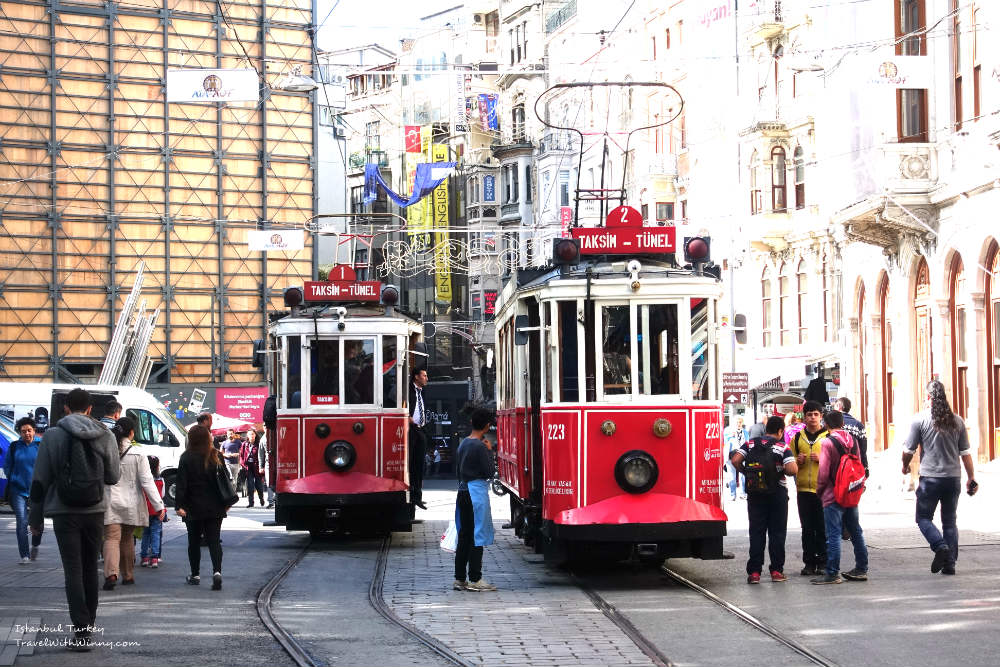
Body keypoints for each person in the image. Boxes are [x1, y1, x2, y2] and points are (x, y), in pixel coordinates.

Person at [28, 388, 120, 651]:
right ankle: (88, 625)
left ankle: (80, 631)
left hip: (63, 511)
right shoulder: (105, 434)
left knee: (73, 570)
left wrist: (36, 520)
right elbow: (113, 477)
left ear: (66, 408)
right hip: (95, 510)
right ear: (90, 409)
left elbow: (39, 481)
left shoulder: (53, 435)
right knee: (91, 567)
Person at [902, 380, 977, 576]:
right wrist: (971, 477)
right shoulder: (957, 421)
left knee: (923, 518)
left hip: (930, 479)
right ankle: (950, 564)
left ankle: (940, 547)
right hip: (953, 478)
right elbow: (966, 453)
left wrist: (904, 466)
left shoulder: (919, 420)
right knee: (950, 522)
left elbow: (908, 450)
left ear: (928, 397)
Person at [730, 416, 797, 584]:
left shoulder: (751, 443)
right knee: (777, 533)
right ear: (781, 431)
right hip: (777, 494)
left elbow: (735, 460)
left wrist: (747, 474)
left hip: (755, 494)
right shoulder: (783, 446)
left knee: (756, 532)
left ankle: (754, 573)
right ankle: (776, 570)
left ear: (766, 429)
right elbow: (791, 469)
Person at [103, 417, 165, 590]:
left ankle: (111, 574)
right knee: (127, 539)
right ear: (132, 432)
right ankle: (128, 575)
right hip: (131, 503)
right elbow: (147, 481)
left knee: (111, 538)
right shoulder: (138, 453)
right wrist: (159, 505)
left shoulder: (106, 450)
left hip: (110, 501)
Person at [812, 410, 869, 585]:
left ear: (826, 425)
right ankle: (861, 568)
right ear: (842, 423)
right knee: (855, 531)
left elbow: (823, 472)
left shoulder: (828, 442)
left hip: (833, 493)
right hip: (851, 492)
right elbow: (858, 462)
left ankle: (832, 572)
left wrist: (819, 490)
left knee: (834, 534)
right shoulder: (852, 440)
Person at [175, 424, 229, 590]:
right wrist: (226, 503)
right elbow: (225, 481)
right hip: (215, 507)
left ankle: (195, 574)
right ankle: (217, 572)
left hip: (193, 507)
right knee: (214, 541)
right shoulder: (216, 455)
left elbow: (181, 484)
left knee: (194, 542)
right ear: (208, 438)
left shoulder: (186, 457)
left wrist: (179, 505)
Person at [453, 407, 497, 592]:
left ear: (472, 423)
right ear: (487, 426)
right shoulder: (480, 446)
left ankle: (460, 578)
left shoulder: (463, 443)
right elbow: (489, 472)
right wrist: (490, 451)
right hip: (475, 493)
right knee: (476, 535)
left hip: (462, 491)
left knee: (464, 535)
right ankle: (475, 579)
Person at [791, 401, 828, 576]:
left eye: (815, 414)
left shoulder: (829, 436)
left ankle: (822, 561)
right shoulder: (797, 438)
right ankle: (809, 562)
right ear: (804, 417)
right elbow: (788, 462)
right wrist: (796, 461)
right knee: (806, 528)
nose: (812, 417)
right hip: (803, 490)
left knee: (821, 527)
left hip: (823, 490)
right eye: (809, 414)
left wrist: (822, 459)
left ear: (821, 416)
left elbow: (837, 462)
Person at [6, 417, 43, 563]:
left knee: (37, 522)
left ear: (34, 430)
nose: (26, 433)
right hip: (18, 490)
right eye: (23, 431)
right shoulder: (14, 446)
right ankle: (25, 555)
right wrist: (14, 477)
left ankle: (35, 544)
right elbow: (8, 465)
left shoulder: (41, 445)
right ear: (19, 433)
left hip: (37, 490)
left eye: (29, 430)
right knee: (21, 521)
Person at [408, 367, 430, 510]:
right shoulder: (408, 390)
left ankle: (418, 496)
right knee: (412, 464)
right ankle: (413, 496)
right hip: (412, 429)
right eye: (424, 375)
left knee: (419, 465)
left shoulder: (421, 392)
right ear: (416, 377)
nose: (427, 378)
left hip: (420, 429)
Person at [140, 455, 166, 568]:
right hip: (157, 510)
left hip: (145, 509)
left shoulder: (143, 479)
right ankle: (155, 558)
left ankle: (144, 557)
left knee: (145, 534)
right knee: (156, 534)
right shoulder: (161, 480)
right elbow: (163, 495)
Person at [835, 397, 870, 477]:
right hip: (853, 466)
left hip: (836, 466)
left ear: (838, 406)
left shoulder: (832, 423)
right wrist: (865, 467)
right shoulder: (859, 425)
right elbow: (863, 449)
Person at [240, 430, 265, 508]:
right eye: (250, 434)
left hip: (257, 467)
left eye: (253, 434)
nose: (251, 436)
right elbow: (241, 456)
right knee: (250, 485)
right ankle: (251, 502)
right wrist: (243, 465)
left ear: (255, 435)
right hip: (248, 467)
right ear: (247, 436)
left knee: (259, 485)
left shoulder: (259, 444)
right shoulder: (244, 444)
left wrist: (262, 466)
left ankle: (261, 498)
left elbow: (262, 455)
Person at [724, 417, 748, 500]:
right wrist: (731, 435)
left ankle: (743, 493)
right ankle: (732, 494)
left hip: (742, 455)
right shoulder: (728, 430)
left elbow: (747, 442)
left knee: (743, 475)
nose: (738, 424)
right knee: (731, 476)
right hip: (731, 455)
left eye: (740, 422)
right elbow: (723, 440)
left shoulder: (745, 432)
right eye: (737, 422)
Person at [222, 430, 243, 496]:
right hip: (227, 463)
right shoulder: (224, 443)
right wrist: (226, 455)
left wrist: (237, 454)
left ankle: (233, 493)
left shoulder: (238, 442)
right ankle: (230, 493)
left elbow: (242, 451)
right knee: (230, 477)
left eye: (231, 434)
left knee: (235, 479)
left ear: (234, 434)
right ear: (227, 435)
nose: (230, 435)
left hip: (236, 463)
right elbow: (221, 452)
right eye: (229, 434)